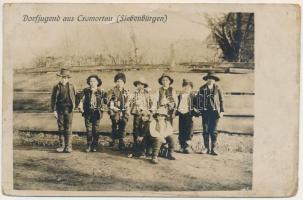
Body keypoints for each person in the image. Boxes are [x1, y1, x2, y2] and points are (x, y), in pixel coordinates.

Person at [196, 71, 224, 156]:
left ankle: (214, 148)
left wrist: (222, 110)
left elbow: (221, 100)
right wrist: (199, 110)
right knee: (206, 130)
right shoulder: (202, 88)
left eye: (212, 78)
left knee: (214, 130)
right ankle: (206, 148)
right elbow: (199, 100)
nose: (210, 80)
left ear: (214, 80)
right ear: (206, 79)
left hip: (215, 113)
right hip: (205, 112)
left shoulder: (218, 88)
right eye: (209, 78)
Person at [78, 75, 107, 152]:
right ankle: (89, 145)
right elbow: (82, 100)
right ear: (89, 82)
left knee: (96, 129)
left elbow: (105, 102)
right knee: (89, 130)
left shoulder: (101, 91)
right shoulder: (86, 91)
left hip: (97, 113)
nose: (92, 83)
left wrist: (102, 108)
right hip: (88, 112)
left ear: (97, 82)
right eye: (91, 81)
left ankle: (95, 145)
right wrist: (81, 107)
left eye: (94, 81)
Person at [51, 68, 76, 153]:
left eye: (65, 77)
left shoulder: (72, 86)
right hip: (60, 109)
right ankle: (62, 145)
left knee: (68, 127)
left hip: (69, 109)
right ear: (60, 78)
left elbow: (75, 97)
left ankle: (68, 146)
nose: (64, 79)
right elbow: (53, 99)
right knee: (61, 127)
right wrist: (54, 111)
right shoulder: (56, 87)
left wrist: (75, 106)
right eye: (62, 77)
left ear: (68, 78)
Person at [130, 77, 153, 157]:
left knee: (145, 130)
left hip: (145, 114)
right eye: (138, 84)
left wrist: (150, 111)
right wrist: (134, 102)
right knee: (136, 129)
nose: (139, 86)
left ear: (144, 85)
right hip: (137, 113)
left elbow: (151, 102)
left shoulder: (147, 93)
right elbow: (130, 101)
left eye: (141, 84)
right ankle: (137, 148)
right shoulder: (134, 93)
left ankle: (144, 148)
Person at [107, 72, 130, 151]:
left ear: (124, 82)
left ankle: (121, 141)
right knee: (115, 125)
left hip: (124, 111)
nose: (119, 83)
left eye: (121, 81)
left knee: (123, 125)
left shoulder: (126, 91)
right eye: (117, 81)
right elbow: (108, 101)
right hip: (115, 111)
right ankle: (113, 141)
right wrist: (112, 107)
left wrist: (127, 105)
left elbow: (129, 101)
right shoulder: (112, 91)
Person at [176, 79, 199, 154]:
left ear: (191, 88)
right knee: (181, 129)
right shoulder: (180, 96)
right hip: (182, 114)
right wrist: (176, 112)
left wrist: (194, 115)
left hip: (189, 115)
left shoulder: (193, 96)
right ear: (182, 87)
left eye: (188, 87)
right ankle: (182, 146)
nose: (186, 89)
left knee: (189, 130)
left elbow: (197, 106)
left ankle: (187, 146)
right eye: (185, 87)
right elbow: (177, 104)